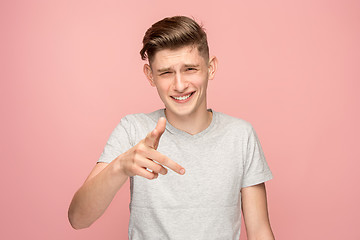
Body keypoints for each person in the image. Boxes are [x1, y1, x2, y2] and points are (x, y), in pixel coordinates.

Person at [68, 16, 275, 240]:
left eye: (190, 69)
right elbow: (78, 219)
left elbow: (260, 231)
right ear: (150, 76)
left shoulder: (240, 135)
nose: (179, 85)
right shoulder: (133, 129)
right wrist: (120, 167)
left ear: (210, 68)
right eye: (166, 72)